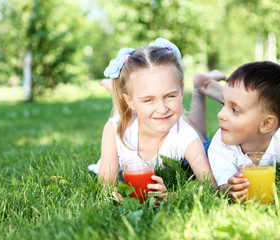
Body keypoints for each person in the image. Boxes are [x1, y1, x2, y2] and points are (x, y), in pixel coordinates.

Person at [88, 38, 214, 197]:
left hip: (170, 126)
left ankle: (195, 91)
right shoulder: (113, 130)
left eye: (170, 96)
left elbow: (211, 187)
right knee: (121, 119)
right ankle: (116, 94)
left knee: (203, 140)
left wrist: (172, 195)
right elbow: (105, 187)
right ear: (130, 101)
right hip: (128, 118)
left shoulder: (186, 136)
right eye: (149, 99)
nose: (162, 109)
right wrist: (116, 192)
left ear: (181, 91)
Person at [188, 61, 280, 202]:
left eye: (235, 110)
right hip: (205, 147)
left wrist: (277, 181)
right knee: (195, 133)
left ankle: (219, 91)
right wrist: (231, 187)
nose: (220, 115)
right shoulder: (222, 140)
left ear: (266, 123)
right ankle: (204, 87)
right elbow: (223, 185)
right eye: (224, 104)